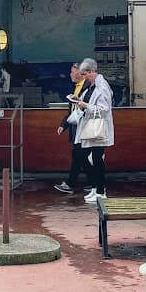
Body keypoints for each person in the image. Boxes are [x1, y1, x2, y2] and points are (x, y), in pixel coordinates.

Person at [71, 58, 115, 203]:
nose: (83, 77)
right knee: (91, 158)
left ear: (91, 71)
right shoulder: (93, 86)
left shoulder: (102, 88)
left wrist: (85, 105)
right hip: (91, 127)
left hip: (98, 128)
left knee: (96, 159)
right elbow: (90, 102)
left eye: (84, 74)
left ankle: (100, 191)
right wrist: (78, 99)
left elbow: (104, 109)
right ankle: (97, 188)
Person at [54, 63, 89, 194]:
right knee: (81, 157)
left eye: (72, 72)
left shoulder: (88, 88)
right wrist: (64, 124)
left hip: (83, 129)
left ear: (80, 73)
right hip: (76, 129)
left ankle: (71, 183)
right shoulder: (77, 88)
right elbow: (72, 112)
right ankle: (93, 181)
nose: (70, 74)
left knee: (79, 156)